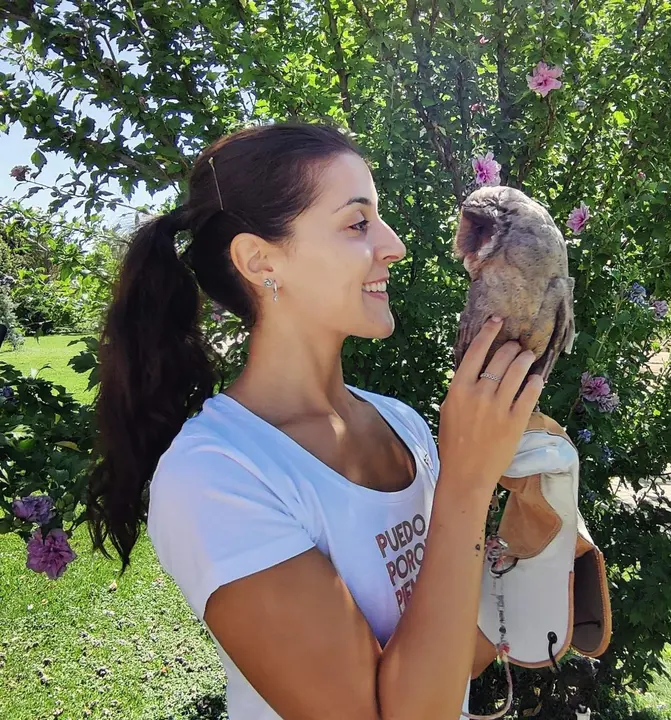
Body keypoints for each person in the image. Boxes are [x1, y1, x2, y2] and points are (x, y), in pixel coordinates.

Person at [86, 121, 544, 720]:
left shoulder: (401, 425)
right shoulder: (216, 476)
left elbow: (458, 656)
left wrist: (540, 539)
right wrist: (467, 481)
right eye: (358, 223)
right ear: (258, 259)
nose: (394, 245)